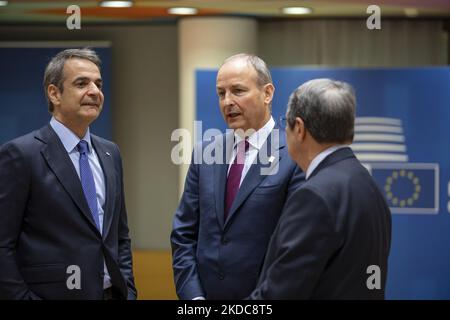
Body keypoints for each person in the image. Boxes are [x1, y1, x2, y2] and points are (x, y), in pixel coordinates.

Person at [0, 48, 137, 300]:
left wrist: (127, 290)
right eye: (82, 83)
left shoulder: (110, 153)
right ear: (54, 93)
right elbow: (3, 243)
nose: (94, 92)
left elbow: (119, 235)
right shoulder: (21, 154)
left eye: (98, 84)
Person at [171, 53, 304, 300]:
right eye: (221, 93)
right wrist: (194, 298)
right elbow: (183, 235)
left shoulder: (296, 154)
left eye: (238, 91)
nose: (227, 102)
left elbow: (296, 247)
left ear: (268, 93)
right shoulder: (206, 153)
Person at [249, 78, 392, 299]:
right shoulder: (368, 185)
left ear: (299, 128)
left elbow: (280, 294)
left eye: (285, 124)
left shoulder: (313, 196)